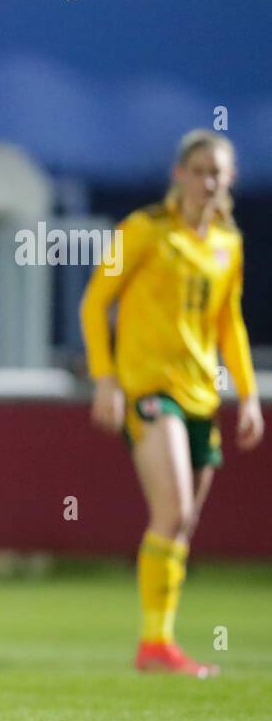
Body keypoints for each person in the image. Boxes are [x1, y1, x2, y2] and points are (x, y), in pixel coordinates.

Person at [80, 129, 263, 677]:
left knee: (183, 525)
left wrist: (248, 395)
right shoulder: (145, 231)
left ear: (228, 181)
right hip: (151, 389)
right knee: (175, 510)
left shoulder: (228, 242)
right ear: (178, 174)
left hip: (202, 393)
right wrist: (106, 379)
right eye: (199, 169)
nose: (208, 181)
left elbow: (228, 322)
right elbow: (96, 303)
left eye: (218, 172)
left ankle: (160, 642)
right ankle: (155, 644)